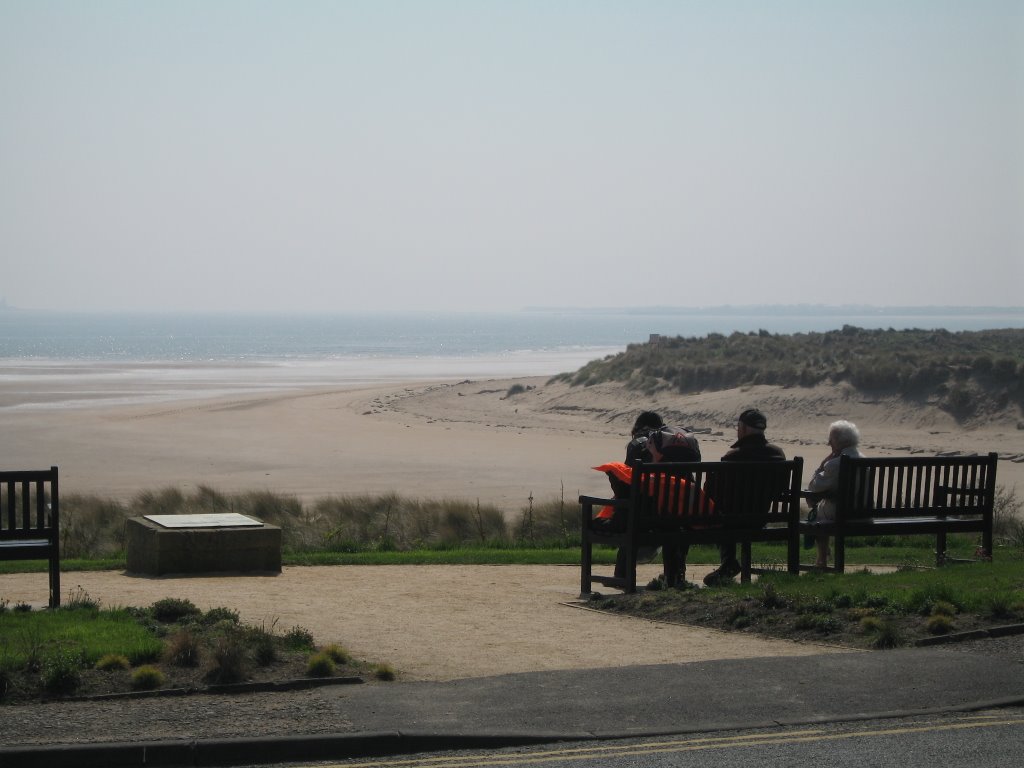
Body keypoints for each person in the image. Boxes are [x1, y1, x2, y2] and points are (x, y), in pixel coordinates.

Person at [703, 408, 787, 586]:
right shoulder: (778, 455)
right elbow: (781, 490)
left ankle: (728, 563)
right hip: (761, 518)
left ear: (743, 429)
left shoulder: (733, 457)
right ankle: (729, 565)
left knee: (721, 514)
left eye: (738, 427)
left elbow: (714, 491)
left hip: (732, 520)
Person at [805, 420, 864, 569]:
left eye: (830, 441)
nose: (829, 444)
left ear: (837, 442)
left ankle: (821, 559)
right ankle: (822, 558)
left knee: (815, 507)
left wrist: (821, 465)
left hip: (841, 513)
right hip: (863, 512)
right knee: (820, 505)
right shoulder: (864, 460)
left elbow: (813, 486)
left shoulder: (835, 464)